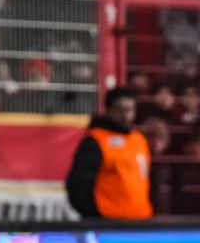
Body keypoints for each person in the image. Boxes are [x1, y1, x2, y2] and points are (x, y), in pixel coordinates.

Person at [65, 85, 154, 220]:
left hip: (140, 220)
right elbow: (78, 185)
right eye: (120, 110)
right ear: (109, 111)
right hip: (108, 223)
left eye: (130, 109)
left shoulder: (139, 140)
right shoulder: (96, 140)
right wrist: (96, 215)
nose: (126, 115)